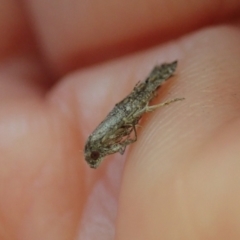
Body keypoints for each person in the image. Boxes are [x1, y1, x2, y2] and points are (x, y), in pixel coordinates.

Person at [1, 0, 240, 239]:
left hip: (129, 109)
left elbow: (124, 129)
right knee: (141, 105)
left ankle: (161, 88)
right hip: (127, 112)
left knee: (143, 102)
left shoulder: (99, 143)